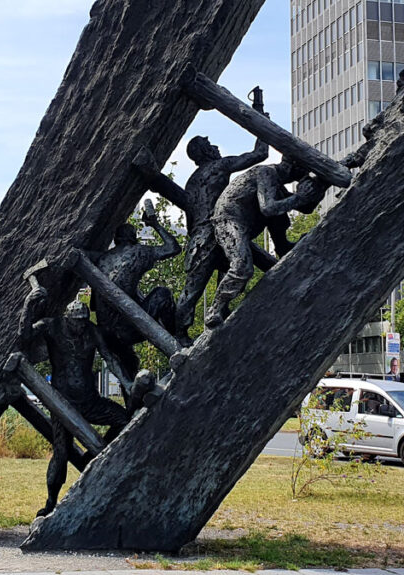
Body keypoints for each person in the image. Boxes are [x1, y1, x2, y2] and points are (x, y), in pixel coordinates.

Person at [18, 289, 128, 517]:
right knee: (61, 453)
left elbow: (109, 357)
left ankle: (90, 455)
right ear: (68, 319)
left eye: (83, 322)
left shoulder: (91, 331)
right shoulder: (52, 326)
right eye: (76, 323)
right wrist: (29, 305)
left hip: (90, 400)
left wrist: (126, 382)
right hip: (63, 404)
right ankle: (50, 503)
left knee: (124, 420)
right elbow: (24, 338)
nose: (80, 327)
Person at [206, 160, 327, 327]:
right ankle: (215, 309)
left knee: (280, 213)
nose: (304, 177)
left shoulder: (275, 183)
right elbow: (268, 208)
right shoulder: (266, 172)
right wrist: (299, 197)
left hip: (246, 226)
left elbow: (306, 208)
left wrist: (323, 181)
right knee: (241, 267)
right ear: (292, 166)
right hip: (228, 221)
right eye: (304, 172)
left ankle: (283, 246)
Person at [174, 135, 269, 344]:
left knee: (191, 291)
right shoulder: (219, 166)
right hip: (219, 231)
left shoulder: (191, 181)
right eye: (210, 145)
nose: (216, 146)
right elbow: (260, 154)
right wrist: (261, 117)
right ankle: (215, 317)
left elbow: (190, 220)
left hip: (199, 238)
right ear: (205, 151)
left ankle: (180, 335)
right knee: (235, 272)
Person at [89, 205, 181, 383]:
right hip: (127, 328)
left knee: (129, 363)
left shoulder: (102, 260)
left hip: (107, 333)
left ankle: (132, 400)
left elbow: (93, 305)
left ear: (115, 240)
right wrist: (155, 224)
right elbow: (173, 248)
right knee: (163, 293)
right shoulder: (138, 252)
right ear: (134, 239)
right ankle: (177, 341)